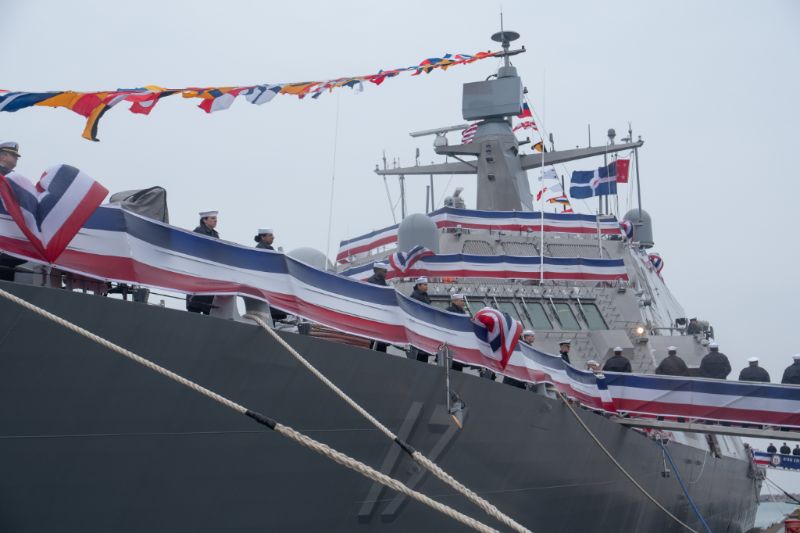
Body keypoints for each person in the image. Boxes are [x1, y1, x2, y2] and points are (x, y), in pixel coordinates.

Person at [186, 210, 219, 314]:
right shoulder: (198, 232)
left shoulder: (215, 235)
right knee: (195, 303)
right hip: (199, 270)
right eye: (212, 218)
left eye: (216, 219)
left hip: (210, 271)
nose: (215, 220)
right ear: (204, 220)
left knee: (207, 303)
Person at [366, 262, 390, 352]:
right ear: (378, 270)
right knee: (375, 344)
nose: (386, 273)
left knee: (382, 345)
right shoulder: (371, 282)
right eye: (384, 271)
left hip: (382, 317)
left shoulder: (383, 282)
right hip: (375, 316)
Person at [408, 277, 432, 362]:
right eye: (424, 285)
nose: (426, 286)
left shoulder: (424, 296)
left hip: (424, 326)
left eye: (426, 285)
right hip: (418, 326)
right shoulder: (415, 296)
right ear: (419, 286)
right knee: (419, 353)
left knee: (424, 352)